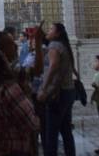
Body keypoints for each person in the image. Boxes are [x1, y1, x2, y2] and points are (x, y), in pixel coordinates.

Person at [38, 22, 76, 156]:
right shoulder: (64, 46)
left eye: (51, 29)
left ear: (58, 34)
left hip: (57, 93)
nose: (48, 31)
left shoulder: (54, 46)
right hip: (68, 90)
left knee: (51, 132)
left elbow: (53, 67)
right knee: (66, 130)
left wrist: (44, 88)